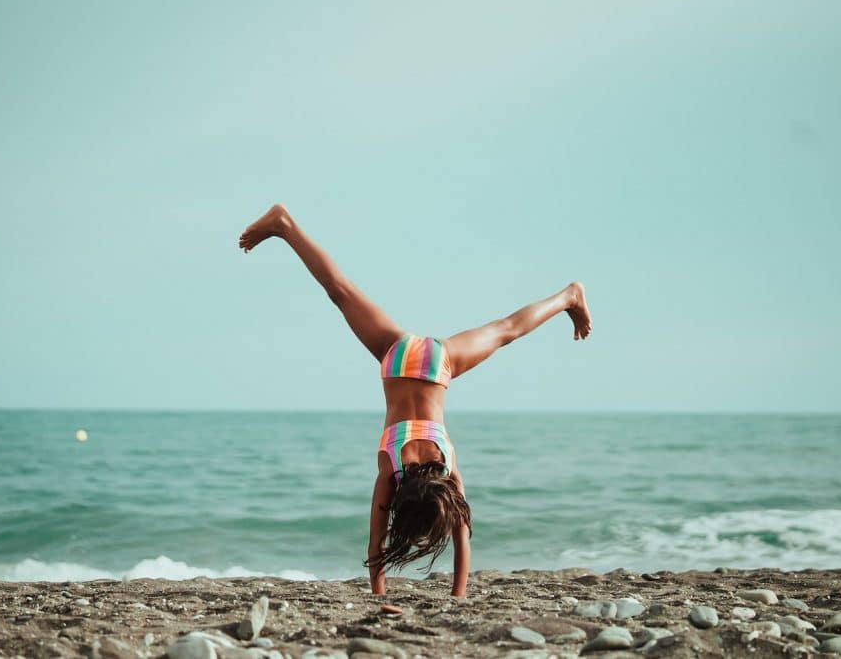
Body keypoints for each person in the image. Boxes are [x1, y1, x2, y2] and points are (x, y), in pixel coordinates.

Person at [238, 204, 591, 598]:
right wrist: (385, 596)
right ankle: (284, 225)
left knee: (504, 330)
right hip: (397, 358)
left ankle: (568, 297)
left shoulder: (446, 470)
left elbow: (461, 542)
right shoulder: (391, 468)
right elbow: (376, 547)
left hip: (437, 363)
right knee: (341, 293)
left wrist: (458, 595)